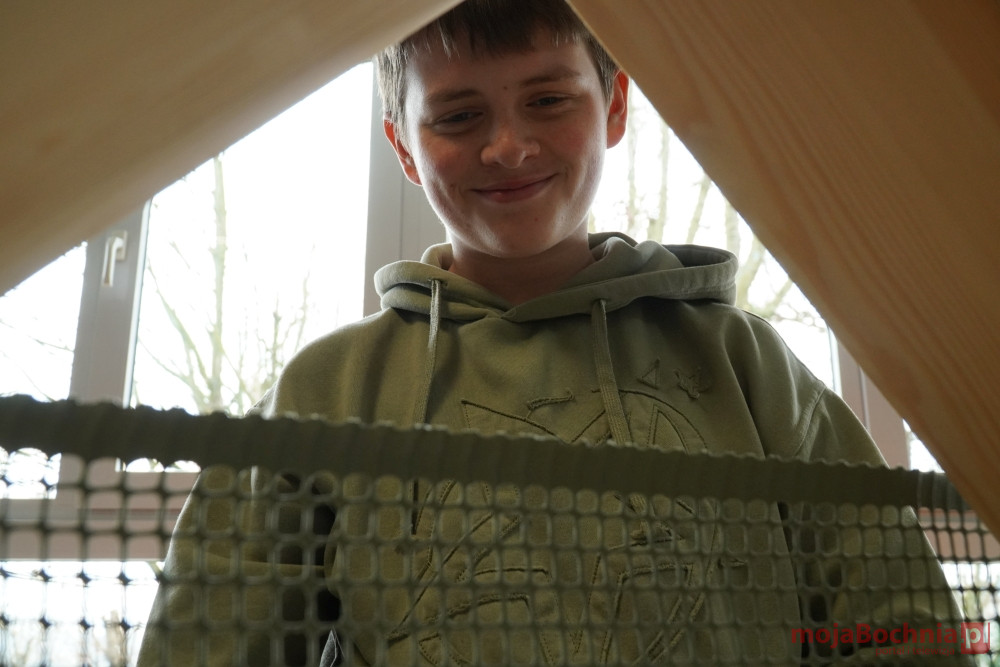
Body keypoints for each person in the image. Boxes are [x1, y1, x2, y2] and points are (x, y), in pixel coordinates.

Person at [139, 1, 967, 664]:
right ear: (403, 145)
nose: (507, 147)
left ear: (614, 106)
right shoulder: (324, 393)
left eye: (547, 100)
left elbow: (904, 630)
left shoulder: (747, 364)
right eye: (458, 115)